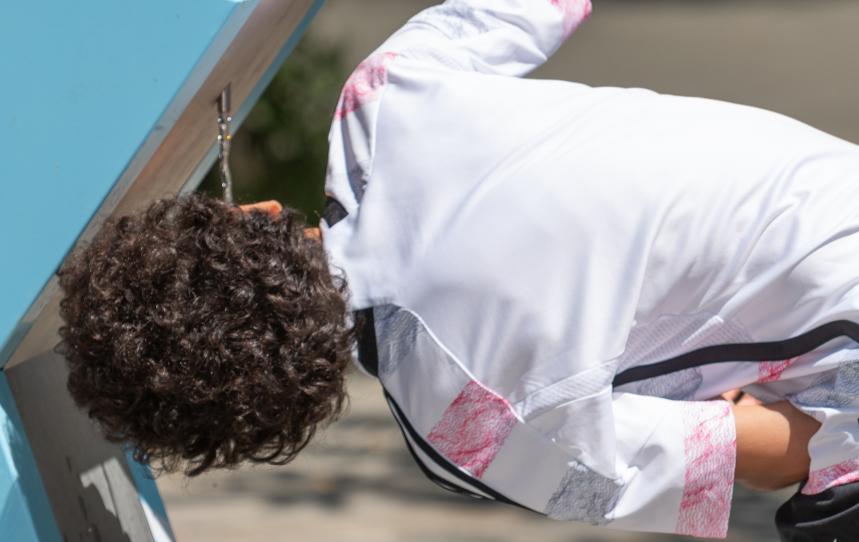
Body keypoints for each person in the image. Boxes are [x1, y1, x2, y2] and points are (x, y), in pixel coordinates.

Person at [58, 1, 859, 539]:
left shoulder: (469, 438)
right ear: (257, 213)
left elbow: (776, 450)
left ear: (278, 417)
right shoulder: (384, 96)